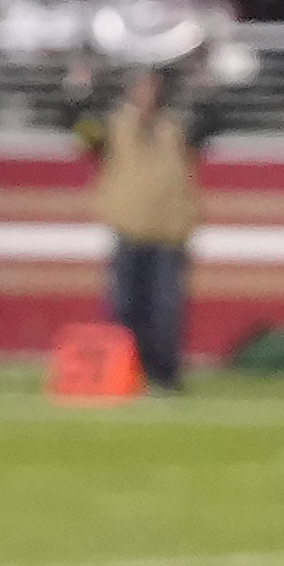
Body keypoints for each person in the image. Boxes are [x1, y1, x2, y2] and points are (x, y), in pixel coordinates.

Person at [82, 62, 202, 391]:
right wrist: (81, 88)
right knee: (124, 309)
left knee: (165, 311)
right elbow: (80, 133)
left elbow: (213, 123)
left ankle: (164, 376)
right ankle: (122, 373)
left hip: (169, 233)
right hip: (129, 230)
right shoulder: (113, 126)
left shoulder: (178, 127)